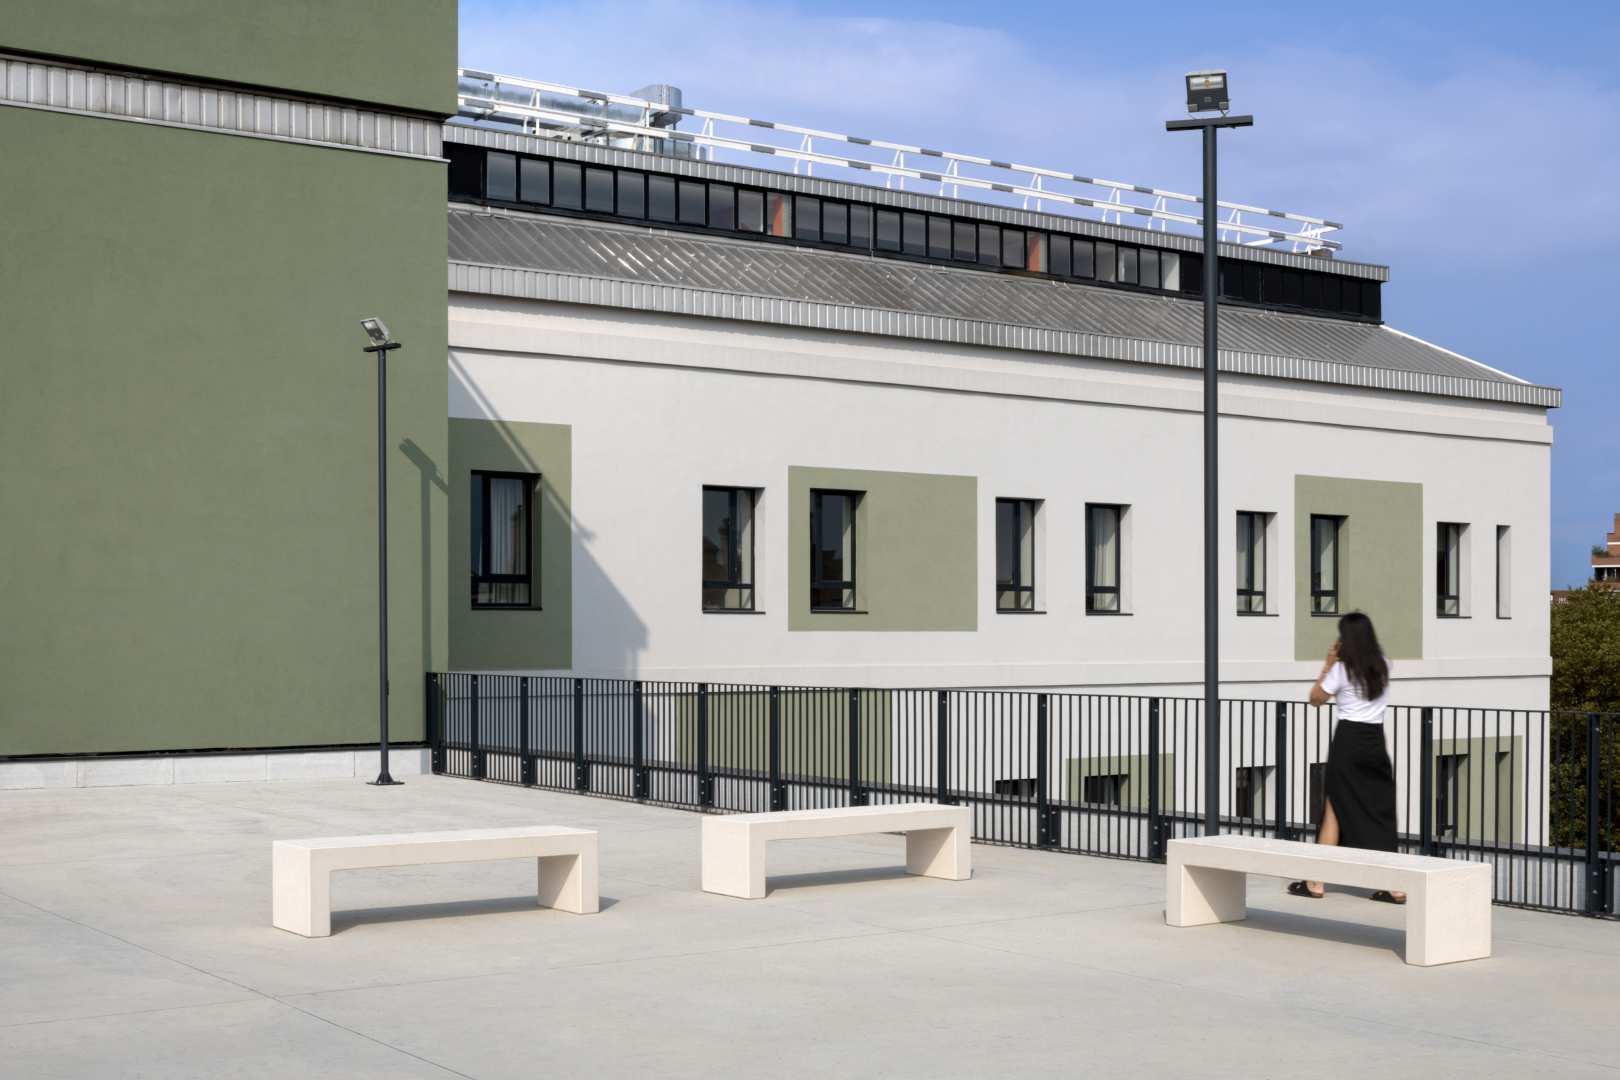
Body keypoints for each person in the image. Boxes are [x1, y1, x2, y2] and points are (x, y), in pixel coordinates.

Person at [1288, 611, 1405, 904]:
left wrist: (1327, 665)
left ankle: (1315, 882)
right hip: (1375, 741)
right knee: (1379, 809)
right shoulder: (1384, 664)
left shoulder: (1342, 669)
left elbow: (1315, 698)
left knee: (1334, 805)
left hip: (1348, 740)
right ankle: (1394, 886)